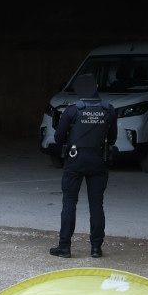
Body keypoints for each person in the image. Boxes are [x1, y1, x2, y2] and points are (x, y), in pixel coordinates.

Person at [50, 72, 116, 259]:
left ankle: (65, 247)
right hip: (98, 160)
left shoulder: (72, 110)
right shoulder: (109, 109)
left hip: (75, 159)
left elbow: (58, 138)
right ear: (96, 87)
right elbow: (112, 138)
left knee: (69, 202)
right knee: (97, 204)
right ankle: (96, 248)